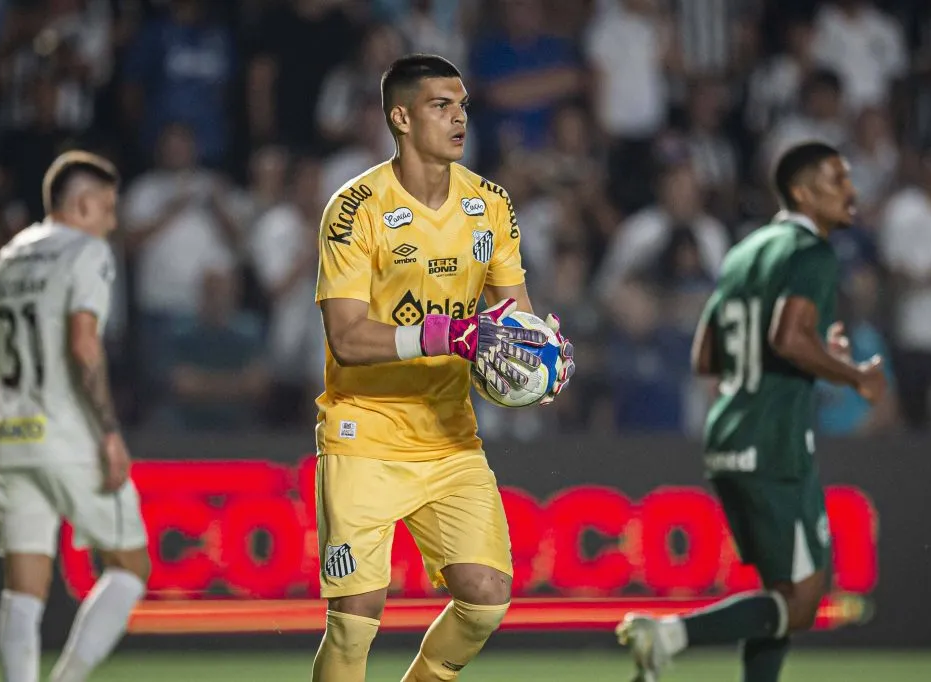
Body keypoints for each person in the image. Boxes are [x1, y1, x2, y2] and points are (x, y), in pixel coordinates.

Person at [311, 54, 575, 682]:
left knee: (486, 596)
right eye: (440, 106)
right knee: (357, 612)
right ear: (400, 118)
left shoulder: (491, 205)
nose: (458, 118)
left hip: (449, 435)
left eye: (462, 105)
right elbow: (346, 338)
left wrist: (539, 353)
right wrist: (447, 333)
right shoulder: (355, 210)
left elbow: (513, 314)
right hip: (364, 431)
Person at [615, 141, 887, 682]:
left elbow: (705, 354)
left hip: (727, 437)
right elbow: (788, 338)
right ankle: (669, 635)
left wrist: (810, 352)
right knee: (804, 601)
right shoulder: (811, 253)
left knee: (779, 596)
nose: (851, 191)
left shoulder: (742, 252)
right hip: (775, 443)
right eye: (837, 180)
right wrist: (853, 373)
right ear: (803, 193)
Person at [0, 151, 150, 682]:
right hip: (68, 434)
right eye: (106, 207)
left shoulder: (10, 254)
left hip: (11, 434)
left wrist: (6, 416)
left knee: (22, 586)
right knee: (130, 568)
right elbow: (84, 343)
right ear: (82, 203)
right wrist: (107, 432)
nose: (112, 220)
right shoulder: (88, 250)